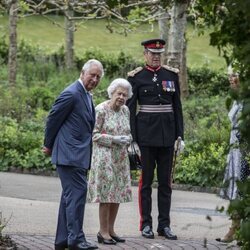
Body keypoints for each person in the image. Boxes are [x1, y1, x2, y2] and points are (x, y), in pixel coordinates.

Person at [43, 59, 104, 250]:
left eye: (98, 77)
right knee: (77, 196)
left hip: (77, 154)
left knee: (69, 198)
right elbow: (53, 119)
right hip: (69, 155)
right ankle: (76, 240)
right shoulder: (71, 93)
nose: (94, 79)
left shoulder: (86, 94)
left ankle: (63, 240)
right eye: (91, 75)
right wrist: (48, 145)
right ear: (82, 73)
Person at [126, 39, 184, 240]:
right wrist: (132, 139)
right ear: (145, 54)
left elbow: (177, 108)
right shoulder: (136, 77)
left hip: (167, 137)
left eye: (159, 53)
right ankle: (146, 224)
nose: (156, 56)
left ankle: (164, 225)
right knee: (146, 183)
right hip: (146, 137)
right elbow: (130, 109)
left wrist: (180, 135)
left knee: (166, 183)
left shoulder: (171, 75)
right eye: (152, 53)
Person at [87, 78, 133, 245]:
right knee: (106, 195)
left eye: (125, 95)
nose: (121, 97)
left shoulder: (125, 110)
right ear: (112, 93)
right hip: (104, 157)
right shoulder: (101, 109)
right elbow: (94, 135)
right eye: (119, 93)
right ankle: (103, 231)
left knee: (118, 194)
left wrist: (128, 139)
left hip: (120, 158)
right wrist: (113, 139)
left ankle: (111, 230)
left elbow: (127, 131)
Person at [217, 67, 250, 243]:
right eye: (229, 75)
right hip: (236, 151)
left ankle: (240, 230)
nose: (231, 79)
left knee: (243, 190)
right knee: (236, 190)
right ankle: (235, 228)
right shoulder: (237, 99)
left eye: (235, 75)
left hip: (246, 151)